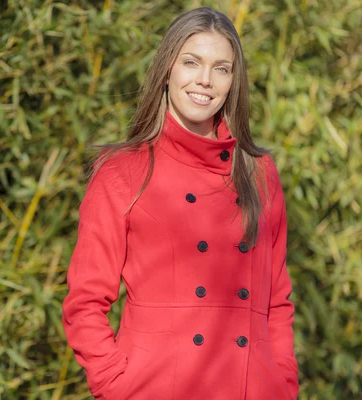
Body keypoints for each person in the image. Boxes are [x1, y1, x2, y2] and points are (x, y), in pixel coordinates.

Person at [61, 7, 298, 400]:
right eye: (192, 62)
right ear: (167, 68)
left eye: (221, 68)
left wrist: (283, 385)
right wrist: (115, 386)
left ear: (233, 83)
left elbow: (277, 302)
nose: (205, 80)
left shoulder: (259, 173)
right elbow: (85, 303)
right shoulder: (123, 172)